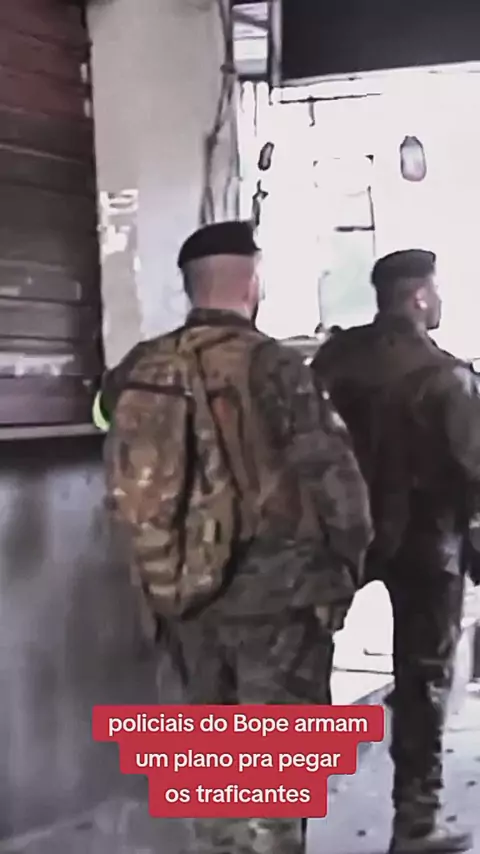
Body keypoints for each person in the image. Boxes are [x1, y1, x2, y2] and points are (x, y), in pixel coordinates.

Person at [94, 220, 373, 854]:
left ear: (191, 285)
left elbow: (108, 422)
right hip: (278, 599)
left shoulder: (139, 366)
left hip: (182, 595)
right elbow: (337, 483)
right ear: (251, 281)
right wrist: (346, 569)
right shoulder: (277, 366)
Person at [311, 249, 480, 854]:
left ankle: (282, 820)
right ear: (418, 297)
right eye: (436, 290)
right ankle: (415, 822)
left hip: (341, 538)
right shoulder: (447, 376)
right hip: (427, 547)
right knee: (423, 679)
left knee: (301, 667)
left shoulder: (332, 360)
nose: (440, 300)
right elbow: (474, 470)